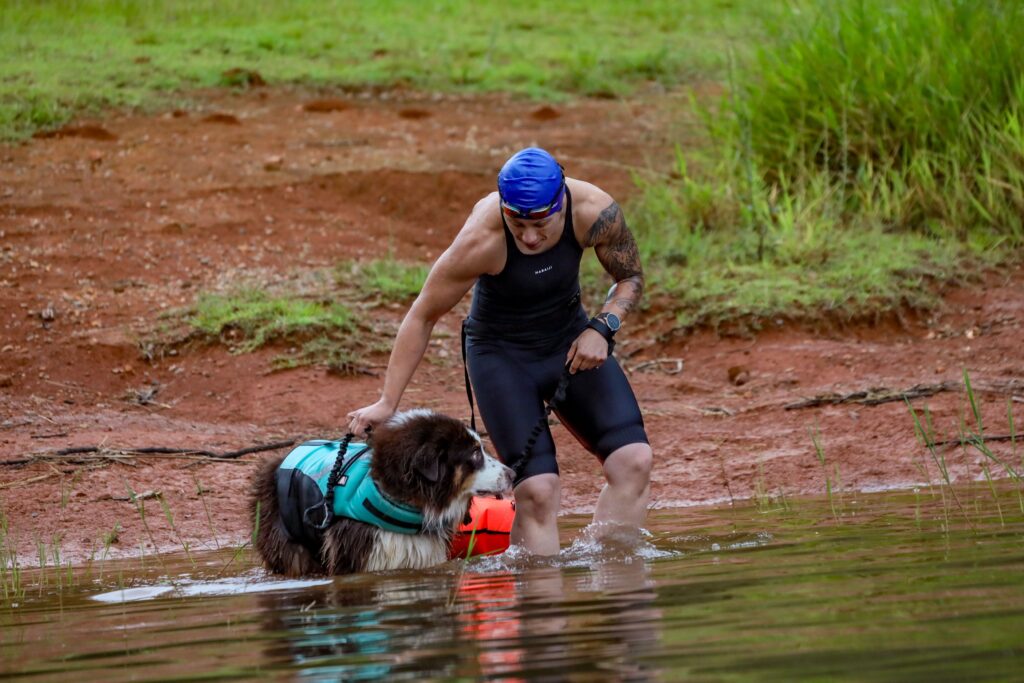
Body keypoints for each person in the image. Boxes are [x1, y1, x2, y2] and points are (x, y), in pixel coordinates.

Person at [347, 147, 652, 555]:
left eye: (541, 223)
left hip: (569, 340)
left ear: (562, 201)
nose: (528, 236)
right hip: (501, 356)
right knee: (538, 490)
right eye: (518, 222)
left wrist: (604, 325)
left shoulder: (594, 211)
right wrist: (388, 402)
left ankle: (614, 583)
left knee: (633, 461)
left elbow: (629, 275)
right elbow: (421, 316)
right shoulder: (481, 239)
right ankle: (541, 607)